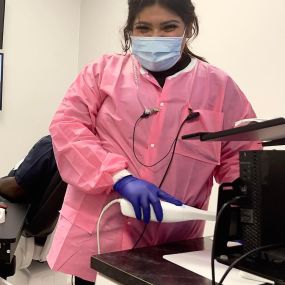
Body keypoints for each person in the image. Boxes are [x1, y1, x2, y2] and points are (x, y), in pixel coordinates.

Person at [47, 0, 260, 284]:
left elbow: (241, 155)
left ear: (188, 29)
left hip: (174, 242)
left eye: (169, 27)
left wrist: (244, 213)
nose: (155, 38)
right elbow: (67, 128)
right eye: (144, 28)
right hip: (101, 233)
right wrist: (119, 177)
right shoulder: (102, 73)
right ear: (130, 31)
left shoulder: (218, 86)